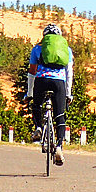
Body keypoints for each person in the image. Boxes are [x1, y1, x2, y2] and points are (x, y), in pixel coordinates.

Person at [25, 23, 73, 166]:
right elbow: (69, 73)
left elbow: (32, 72)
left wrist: (29, 93)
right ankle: (59, 146)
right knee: (59, 114)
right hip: (59, 83)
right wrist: (68, 93)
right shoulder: (67, 50)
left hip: (41, 81)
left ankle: (39, 128)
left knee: (37, 105)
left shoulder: (37, 49)